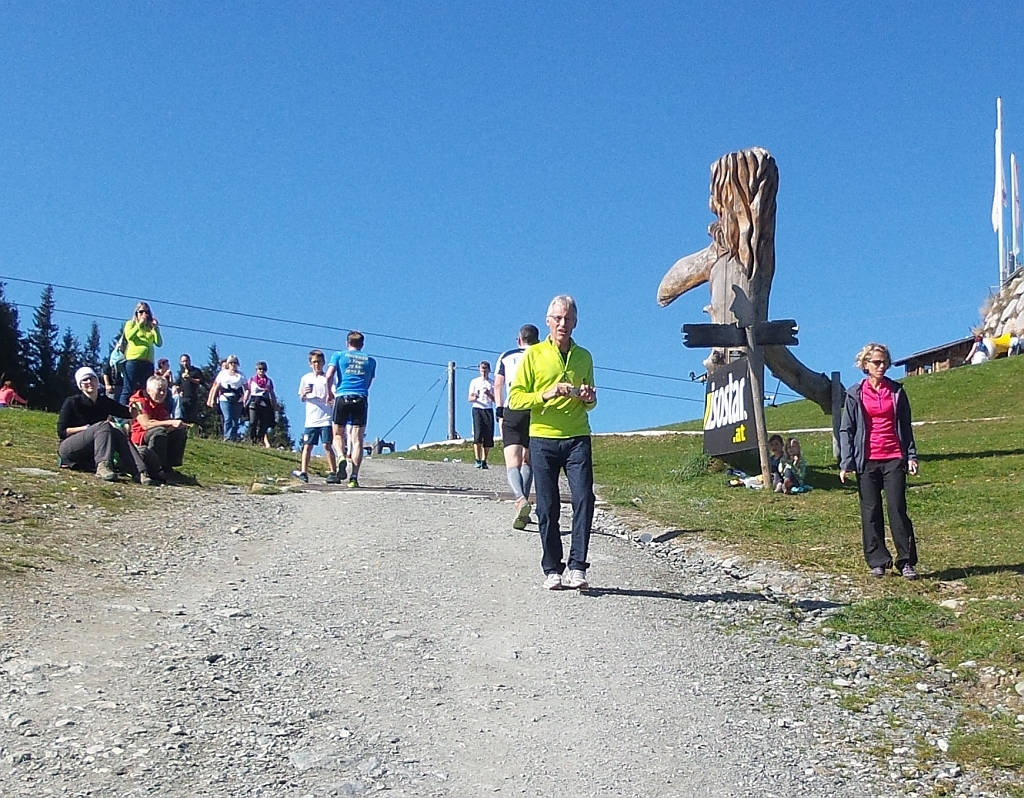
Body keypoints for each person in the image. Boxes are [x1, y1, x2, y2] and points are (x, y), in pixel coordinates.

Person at [508, 295, 597, 591]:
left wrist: (588, 397)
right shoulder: (532, 356)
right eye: (558, 318)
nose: (563, 323)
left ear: (576, 323)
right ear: (548, 321)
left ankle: (577, 566)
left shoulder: (584, 356)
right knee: (547, 507)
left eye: (568, 319)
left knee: (584, 498)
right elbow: (516, 398)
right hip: (543, 437)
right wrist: (546, 394)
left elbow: (591, 402)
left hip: (577, 437)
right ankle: (552, 568)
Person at [840, 343, 920, 580]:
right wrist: (847, 462)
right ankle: (878, 561)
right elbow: (847, 429)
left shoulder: (896, 392)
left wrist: (911, 456)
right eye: (876, 362)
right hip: (867, 460)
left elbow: (906, 426)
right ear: (865, 364)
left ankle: (906, 562)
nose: (882, 366)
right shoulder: (855, 394)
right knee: (871, 511)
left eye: (885, 362)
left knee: (897, 509)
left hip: (894, 458)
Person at [57, 367, 148, 483]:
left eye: (92, 378)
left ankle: (140, 471)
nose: (89, 382)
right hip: (69, 447)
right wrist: (86, 428)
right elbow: (61, 431)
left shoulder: (104, 402)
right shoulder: (72, 402)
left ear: (97, 381)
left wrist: (136, 408)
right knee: (104, 425)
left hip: (92, 448)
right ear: (80, 385)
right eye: (85, 380)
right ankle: (103, 466)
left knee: (118, 431)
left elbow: (126, 412)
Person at [494, 324, 540, 528]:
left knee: (512, 462)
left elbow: (498, 385)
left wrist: (499, 410)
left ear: (519, 339)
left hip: (513, 407)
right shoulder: (541, 353)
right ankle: (526, 500)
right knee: (527, 461)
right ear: (536, 339)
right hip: (534, 408)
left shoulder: (506, 356)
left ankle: (520, 499)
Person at [326, 331, 377, 488]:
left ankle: (341, 456)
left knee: (337, 434)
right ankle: (354, 477)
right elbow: (369, 381)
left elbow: (328, 376)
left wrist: (330, 393)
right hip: (360, 397)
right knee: (357, 440)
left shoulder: (339, 355)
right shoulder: (371, 361)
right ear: (362, 344)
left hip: (342, 396)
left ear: (347, 343)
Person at [292, 350, 340, 484]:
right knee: (307, 445)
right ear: (310, 364)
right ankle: (304, 472)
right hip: (311, 419)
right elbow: (301, 397)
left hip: (325, 417)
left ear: (323, 363)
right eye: (314, 362)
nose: (316, 365)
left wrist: (332, 401)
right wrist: (304, 394)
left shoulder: (328, 378)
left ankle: (333, 472)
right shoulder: (306, 378)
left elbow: (334, 394)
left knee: (327, 445)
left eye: (319, 362)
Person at [129, 375, 188, 482]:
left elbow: (166, 422)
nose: (162, 393)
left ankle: (168, 466)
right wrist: (171, 422)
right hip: (140, 438)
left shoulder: (159, 404)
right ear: (148, 390)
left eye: (164, 391)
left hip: (155, 433)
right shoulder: (137, 400)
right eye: (159, 390)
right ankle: (155, 468)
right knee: (159, 431)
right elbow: (145, 424)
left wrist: (175, 426)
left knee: (179, 432)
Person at [120, 302, 163, 404]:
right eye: (141, 311)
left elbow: (158, 343)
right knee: (128, 388)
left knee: (146, 390)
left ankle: (145, 412)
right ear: (136, 313)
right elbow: (129, 336)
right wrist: (139, 324)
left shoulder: (149, 328)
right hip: (134, 361)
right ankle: (121, 414)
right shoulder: (130, 324)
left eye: (146, 312)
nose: (144, 314)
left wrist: (156, 328)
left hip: (148, 362)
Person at [207, 355, 247, 442]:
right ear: (228, 364)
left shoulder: (241, 375)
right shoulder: (222, 374)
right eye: (231, 363)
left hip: (237, 399)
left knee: (235, 420)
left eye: (235, 363)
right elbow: (216, 387)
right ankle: (227, 437)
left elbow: (247, 389)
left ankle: (233, 438)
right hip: (224, 398)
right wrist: (212, 399)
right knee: (228, 418)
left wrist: (244, 398)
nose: (233, 365)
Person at [467, 361, 495, 469]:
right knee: (478, 434)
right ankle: (477, 459)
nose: (483, 371)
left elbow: (496, 400)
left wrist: (489, 394)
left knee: (488, 436)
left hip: (488, 409)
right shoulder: (474, 382)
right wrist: (476, 397)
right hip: (477, 409)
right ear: (479, 370)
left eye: (485, 369)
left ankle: (484, 460)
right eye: (482, 369)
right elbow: (469, 398)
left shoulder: (492, 383)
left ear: (489, 370)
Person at [246, 361, 279, 447]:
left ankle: (259, 439)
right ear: (256, 370)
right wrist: (244, 402)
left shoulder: (269, 381)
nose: (261, 371)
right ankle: (252, 439)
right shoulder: (251, 380)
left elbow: (272, 393)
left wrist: (275, 405)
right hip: (254, 402)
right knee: (253, 421)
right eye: (260, 369)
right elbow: (248, 391)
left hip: (265, 402)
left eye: (263, 369)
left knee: (265, 423)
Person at [176, 354, 204, 423]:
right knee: (183, 418)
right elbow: (177, 384)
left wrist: (190, 379)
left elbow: (200, 381)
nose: (185, 363)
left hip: (193, 397)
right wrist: (178, 390)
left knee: (193, 418)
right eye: (183, 361)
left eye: (186, 361)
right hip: (183, 398)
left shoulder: (196, 371)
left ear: (190, 361)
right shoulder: (181, 373)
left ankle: (193, 432)